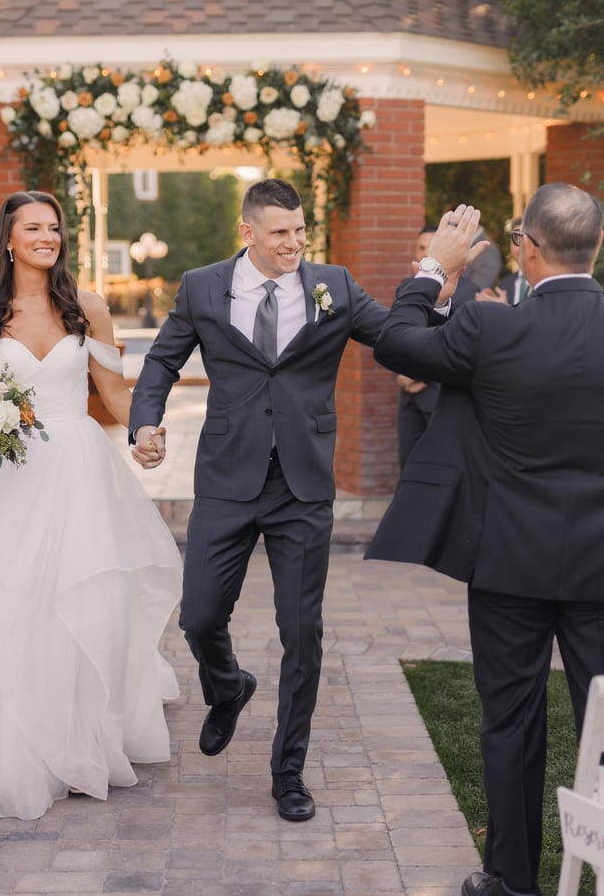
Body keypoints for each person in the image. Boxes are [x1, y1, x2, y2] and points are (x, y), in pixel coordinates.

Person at [129, 177, 449, 822]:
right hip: (226, 477)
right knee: (197, 616)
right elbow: (161, 362)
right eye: (280, 233)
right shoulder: (202, 286)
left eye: (300, 231)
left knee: (302, 634)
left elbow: (396, 339)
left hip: (302, 485)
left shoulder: (334, 284)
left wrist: (438, 295)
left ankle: (289, 773)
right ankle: (228, 687)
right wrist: (145, 422)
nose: (294, 244)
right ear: (247, 231)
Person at [0, 191, 182, 822]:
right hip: (7, 477)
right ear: (9, 240)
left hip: (78, 470)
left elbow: (115, 394)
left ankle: (79, 742)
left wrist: (144, 435)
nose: (48, 236)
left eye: (55, 227)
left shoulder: (87, 308)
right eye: (34, 227)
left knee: (85, 601)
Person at [368, 184, 604, 896]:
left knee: (510, 721)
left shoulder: (492, 329)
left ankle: (508, 879)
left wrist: (433, 268)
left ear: (526, 248)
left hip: (507, 561)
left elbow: (395, 342)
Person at [395, 225, 478, 466]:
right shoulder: (407, 287)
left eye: (430, 249)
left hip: (442, 397)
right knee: (408, 469)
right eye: (421, 248)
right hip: (408, 399)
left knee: (441, 470)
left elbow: (462, 346)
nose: (425, 255)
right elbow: (397, 331)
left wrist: (418, 374)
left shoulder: (468, 291)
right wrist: (400, 371)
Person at [475, 217, 531, 305]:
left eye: (529, 237)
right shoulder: (505, 284)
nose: (523, 245)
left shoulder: (549, 284)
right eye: (516, 237)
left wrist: (504, 310)